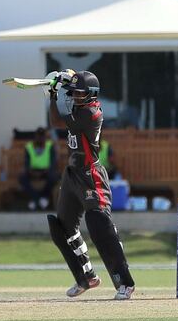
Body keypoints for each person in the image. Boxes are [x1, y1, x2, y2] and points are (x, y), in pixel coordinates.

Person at [45, 69, 135, 300]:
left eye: (79, 93)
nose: (75, 96)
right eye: (74, 93)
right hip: (73, 173)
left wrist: (57, 90)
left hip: (91, 174)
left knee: (99, 224)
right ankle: (86, 277)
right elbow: (56, 121)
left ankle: (124, 282)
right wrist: (55, 92)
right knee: (61, 227)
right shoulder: (77, 107)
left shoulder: (92, 113)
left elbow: (67, 118)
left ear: (92, 94)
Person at [19, 127, 57, 210]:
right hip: (32, 171)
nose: (40, 138)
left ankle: (41, 198)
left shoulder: (50, 146)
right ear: (35, 137)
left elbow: (53, 162)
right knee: (22, 178)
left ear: (45, 137)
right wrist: (31, 171)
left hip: (46, 171)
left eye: (42, 136)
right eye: (38, 136)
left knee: (54, 177)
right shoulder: (29, 146)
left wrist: (45, 171)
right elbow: (26, 162)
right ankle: (37, 199)